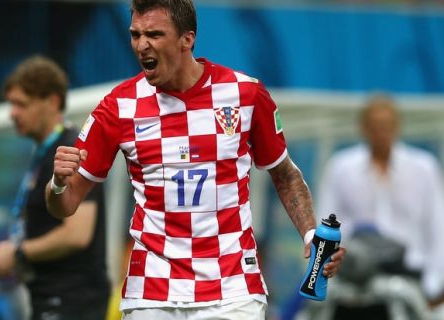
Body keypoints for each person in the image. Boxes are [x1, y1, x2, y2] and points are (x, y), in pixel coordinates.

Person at [45, 0, 346, 319]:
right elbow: (63, 205)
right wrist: (59, 183)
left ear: (187, 39)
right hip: (151, 293)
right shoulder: (118, 107)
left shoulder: (245, 95)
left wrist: (311, 235)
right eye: (135, 34)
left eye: (155, 34)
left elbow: (285, 175)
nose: (142, 45)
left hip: (232, 291)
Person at [0, 55, 110, 320]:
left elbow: (77, 234)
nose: (12, 113)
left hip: (72, 299)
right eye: (11, 104)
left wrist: (18, 253)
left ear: (52, 101)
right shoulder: (44, 153)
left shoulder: (70, 151)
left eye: (21, 104)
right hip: (51, 296)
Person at [317, 93, 444, 311]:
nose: (381, 132)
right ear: (363, 128)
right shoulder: (342, 168)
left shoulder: (424, 168)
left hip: (412, 277)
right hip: (353, 281)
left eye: (386, 125)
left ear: (397, 127)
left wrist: (433, 287)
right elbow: (325, 227)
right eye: (375, 126)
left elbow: (438, 228)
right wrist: (325, 279)